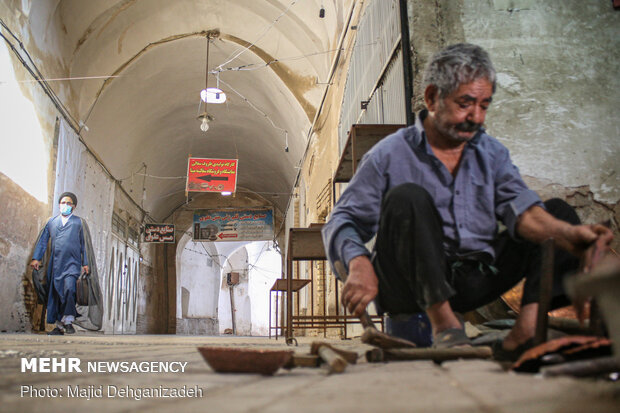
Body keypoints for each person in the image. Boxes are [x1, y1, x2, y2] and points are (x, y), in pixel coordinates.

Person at [322, 43, 613, 357]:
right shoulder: (388, 155)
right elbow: (341, 221)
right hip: (405, 284)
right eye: (465, 103)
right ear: (432, 98)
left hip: (469, 280)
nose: (475, 116)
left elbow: (524, 213)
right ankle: (446, 327)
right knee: (409, 198)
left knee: (556, 213)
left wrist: (570, 236)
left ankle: (528, 329)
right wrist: (358, 262)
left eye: (484, 105)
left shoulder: (492, 153)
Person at [30, 192, 89, 335]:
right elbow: (44, 240)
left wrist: (85, 263)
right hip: (55, 264)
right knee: (56, 293)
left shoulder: (79, 223)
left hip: (72, 263)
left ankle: (68, 321)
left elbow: (84, 244)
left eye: (69, 203)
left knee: (69, 289)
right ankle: (59, 326)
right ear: (59, 204)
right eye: (63, 203)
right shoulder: (52, 222)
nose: (65, 205)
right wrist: (36, 258)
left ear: (74, 206)